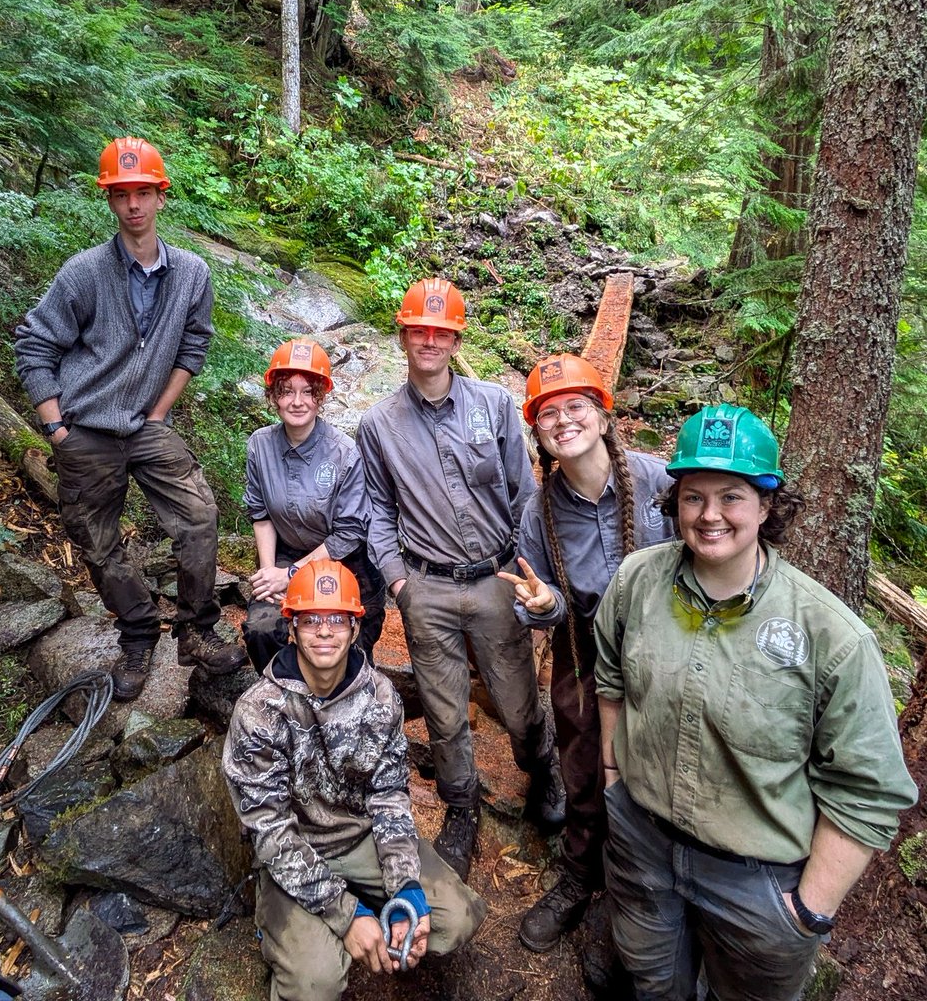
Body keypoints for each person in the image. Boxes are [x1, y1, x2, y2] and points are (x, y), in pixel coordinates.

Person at [592, 403, 918, 1001]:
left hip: (758, 880)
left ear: (767, 506)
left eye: (732, 496)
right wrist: (614, 777)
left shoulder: (831, 637)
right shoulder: (636, 581)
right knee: (652, 981)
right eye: (693, 497)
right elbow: (611, 676)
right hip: (641, 840)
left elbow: (867, 791)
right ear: (675, 503)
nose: (710, 515)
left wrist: (808, 912)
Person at [14, 137, 246, 702]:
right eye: (122, 195)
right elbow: (33, 345)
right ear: (111, 201)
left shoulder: (191, 274)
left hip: (146, 425)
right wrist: (57, 428)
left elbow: (194, 345)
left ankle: (196, 630)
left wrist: (160, 412)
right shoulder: (85, 273)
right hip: (85, 428)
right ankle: (138, 635)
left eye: (143, 192)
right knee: (97, 542)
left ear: (160, 196)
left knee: (198, 514)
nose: (134, 205)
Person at [357, 277, 564, 882]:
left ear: (454, 340)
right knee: (445, 715)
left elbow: (525, 494)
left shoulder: (494, 405)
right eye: (419, 330)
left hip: (498, 577)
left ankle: (541, 764)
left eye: (440, 332)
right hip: (428, 588)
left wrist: (533, 574)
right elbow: (376, 509)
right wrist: (398, 584)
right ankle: (460, 808)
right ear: (404, 336)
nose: (429, 340)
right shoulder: (379, 424)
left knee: (518, 699)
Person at [223, 560, 486, 1001]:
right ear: (292, 626)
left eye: (336, 619)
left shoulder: (380, 698)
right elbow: (268, 830)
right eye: (312, 619)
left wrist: (405, 886)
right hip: (295, 850)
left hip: (362, 839)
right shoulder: (258, 712)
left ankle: (379, 909)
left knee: (456, 918)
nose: (324, 631)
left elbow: (388, 798)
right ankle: (297, 929)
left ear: (353, 626)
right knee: (314, 985)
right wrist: (347, 916)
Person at [498, 353, 673, 953]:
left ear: (603, 417)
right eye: (548, 413)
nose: (563, 420)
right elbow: (537, 609)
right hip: (584, 658)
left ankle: (634, 897)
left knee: (657, 781)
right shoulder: (537, 513)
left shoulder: (660, 483)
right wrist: (545, 605)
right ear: (537, 432)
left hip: (666, 661)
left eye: (576, 407)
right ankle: (579, 876)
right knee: (583, 774)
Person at [243, 338, 385, 672]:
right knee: (262, 629)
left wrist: (290, 575)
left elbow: (348, 532)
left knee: (353, 647)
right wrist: (270, 576)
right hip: (285, 553)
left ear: (320, 398)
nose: (296, 402)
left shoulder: (344, 453)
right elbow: (260, 513)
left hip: (346, 560)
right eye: (286, 391)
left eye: (308, 392)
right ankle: (284, 691)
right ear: (274, 397)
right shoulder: (260, 445)